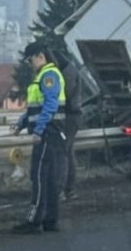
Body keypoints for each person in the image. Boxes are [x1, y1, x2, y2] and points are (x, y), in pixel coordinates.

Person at [11, 41, 68, 234]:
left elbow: (50, 106)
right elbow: (34, 108)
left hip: (47, 133)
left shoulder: (48, 76)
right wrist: (21, 123)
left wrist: (38, 130)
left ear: (40, 56)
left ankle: (34, 220)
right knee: (50, 178)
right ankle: (50, 221)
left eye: (30, 59)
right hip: (50, 132)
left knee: (39, 176)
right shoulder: (45, 75)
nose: (29, 64)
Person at [55, 51, 82, 201]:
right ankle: (69, 189)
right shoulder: (71, 70)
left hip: (69, 117)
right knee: (68, 153)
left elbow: (63, 95)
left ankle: (61, 190)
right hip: (73, 117)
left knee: (62, 153)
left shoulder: (67, 74)